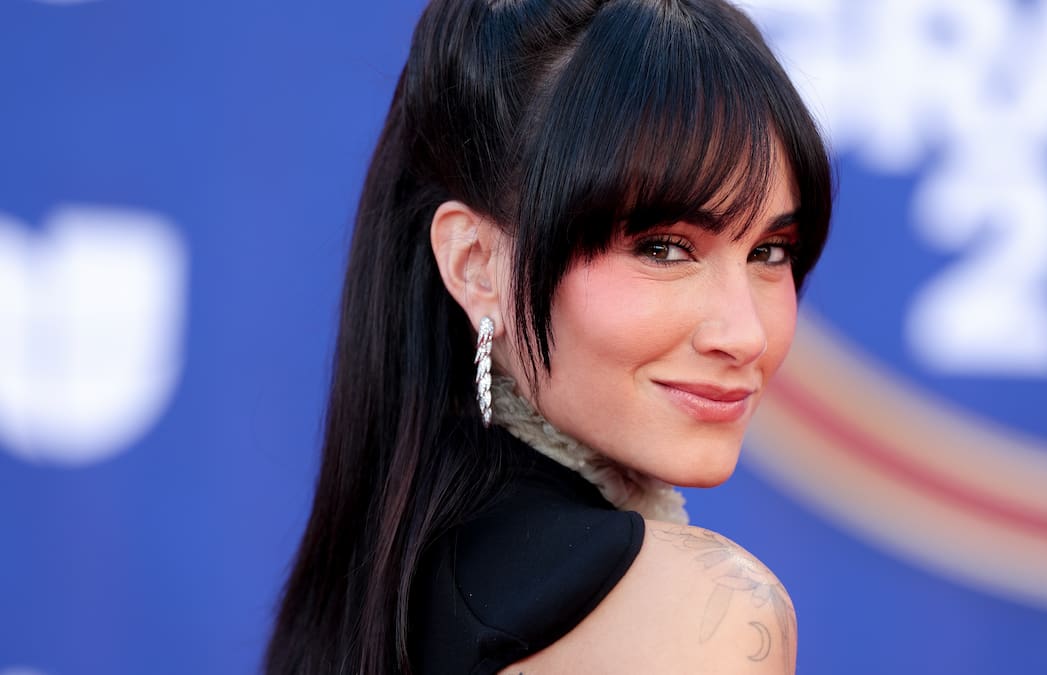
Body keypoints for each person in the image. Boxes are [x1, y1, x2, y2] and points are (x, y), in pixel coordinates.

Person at [264, 0, 831, 672]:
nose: (745, 334)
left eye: (770, 251)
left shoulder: (387, 585)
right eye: (662, 248)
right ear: (476, 265)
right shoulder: (701, 614)